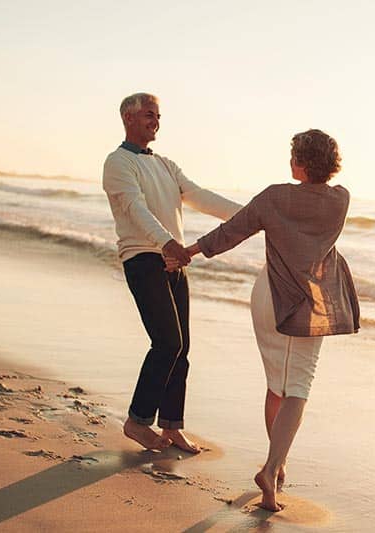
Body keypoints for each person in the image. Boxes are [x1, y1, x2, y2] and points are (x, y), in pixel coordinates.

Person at [182, 128, 360, 511]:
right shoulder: (341, 200)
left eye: (293, 155)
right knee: (298, 386)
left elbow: (232, 231)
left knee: (277, 383)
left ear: (301, 163)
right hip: (309, 300)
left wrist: (190, 251)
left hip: (268, 297)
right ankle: (272, 469)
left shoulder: (275, 196)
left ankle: (275, 466)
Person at [102, 92, 242, 453]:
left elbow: (200, 196)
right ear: (128, 118)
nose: (156, 121)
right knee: (167, 343)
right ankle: (137, 421)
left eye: (158, 116)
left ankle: (171, 426)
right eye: (149, 115)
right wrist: (166, 243)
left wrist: (249, 217)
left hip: (172, 260)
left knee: (182, 348)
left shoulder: (165, 164)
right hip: (144, 257)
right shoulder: (117, 162)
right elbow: (134, 208)